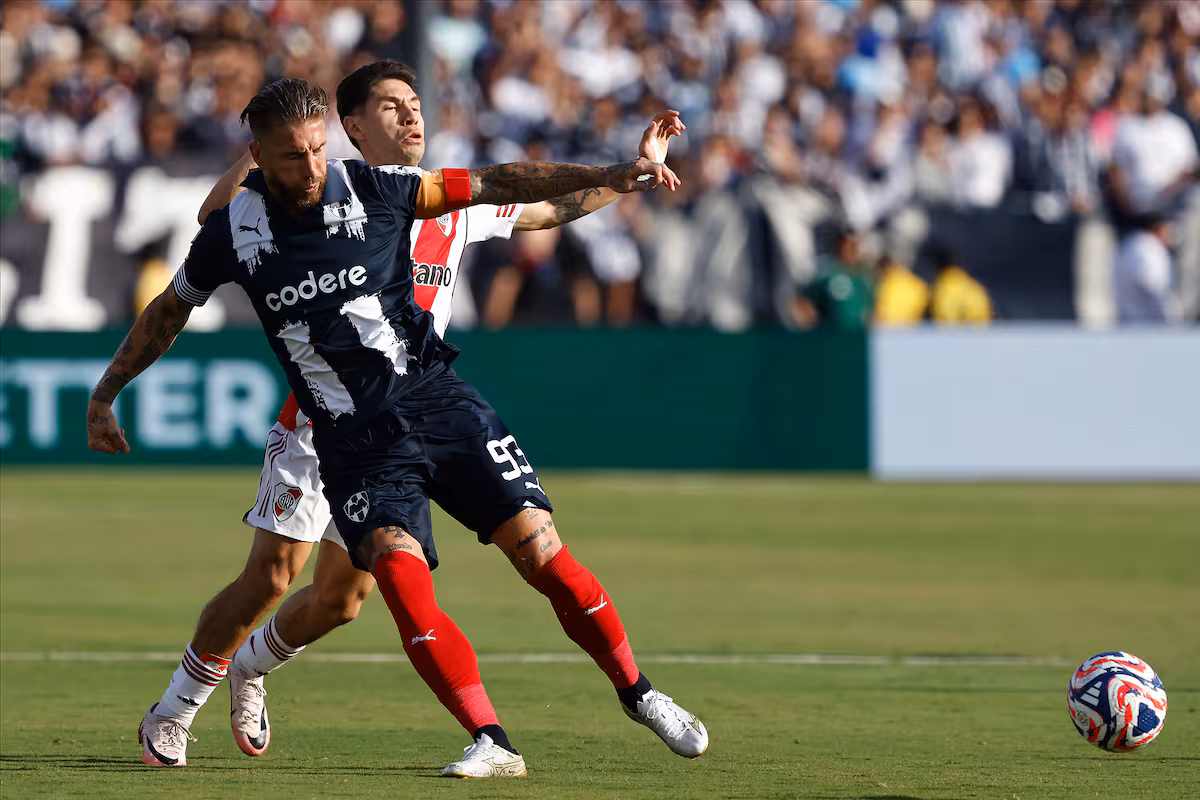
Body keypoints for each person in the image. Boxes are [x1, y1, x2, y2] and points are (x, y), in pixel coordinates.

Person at [86, 74, 705, 778]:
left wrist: (625, 175)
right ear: (354, 125)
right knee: (272, 579)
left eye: (416, 106)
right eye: (393, 107)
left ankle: (251, 668)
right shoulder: (258, 217)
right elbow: (199, 245)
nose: (413, 118)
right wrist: (106, 393)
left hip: (429, 402)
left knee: (345, 600)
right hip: (327, 423)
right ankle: (177, 706)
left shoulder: (421, 198)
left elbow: (529, 193)